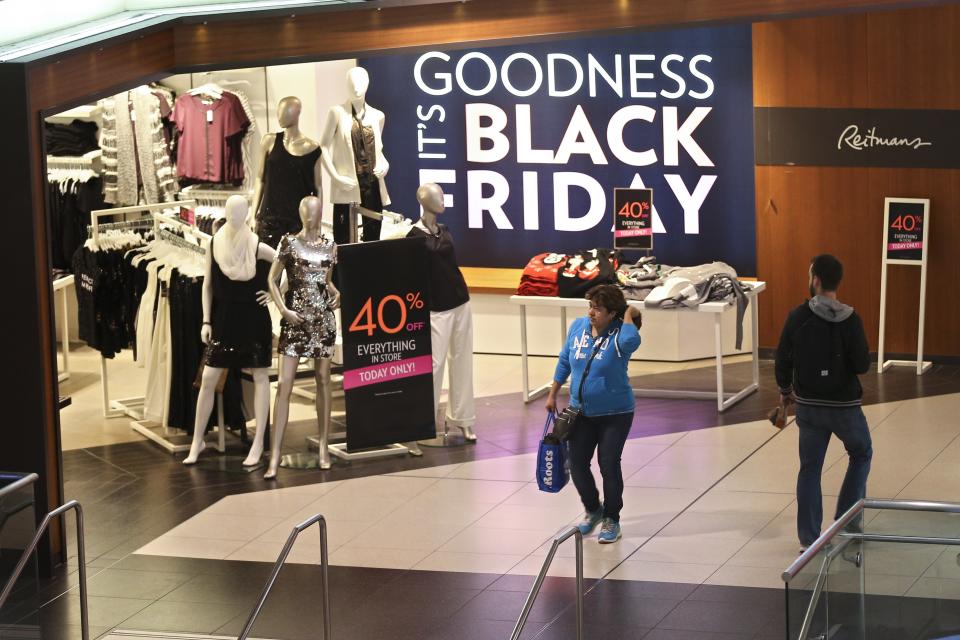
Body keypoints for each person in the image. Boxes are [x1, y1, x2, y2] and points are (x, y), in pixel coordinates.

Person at [775, 254, 871, 551]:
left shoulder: (798, 317)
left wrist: (785, 390)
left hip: (810, 407)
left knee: (810, 468)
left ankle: (809, 540)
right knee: (861, 453)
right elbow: (862, 365)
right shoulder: (852, 319)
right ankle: (846, 521)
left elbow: (782, 360)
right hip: (844, 407)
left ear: (815, 280)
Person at [546, 284, 641, 544]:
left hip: (616, 413)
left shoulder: (621, 334)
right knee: (576, 464)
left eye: (598, 309)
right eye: (590, 306)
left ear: (612, 313)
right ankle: (593, 509)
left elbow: (633, 341)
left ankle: (612, 518)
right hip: (581, 412)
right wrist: (553, 392)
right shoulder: (578, 327)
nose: (591, 312)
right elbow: (565, 359)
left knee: (608, 464)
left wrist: (630, 313)